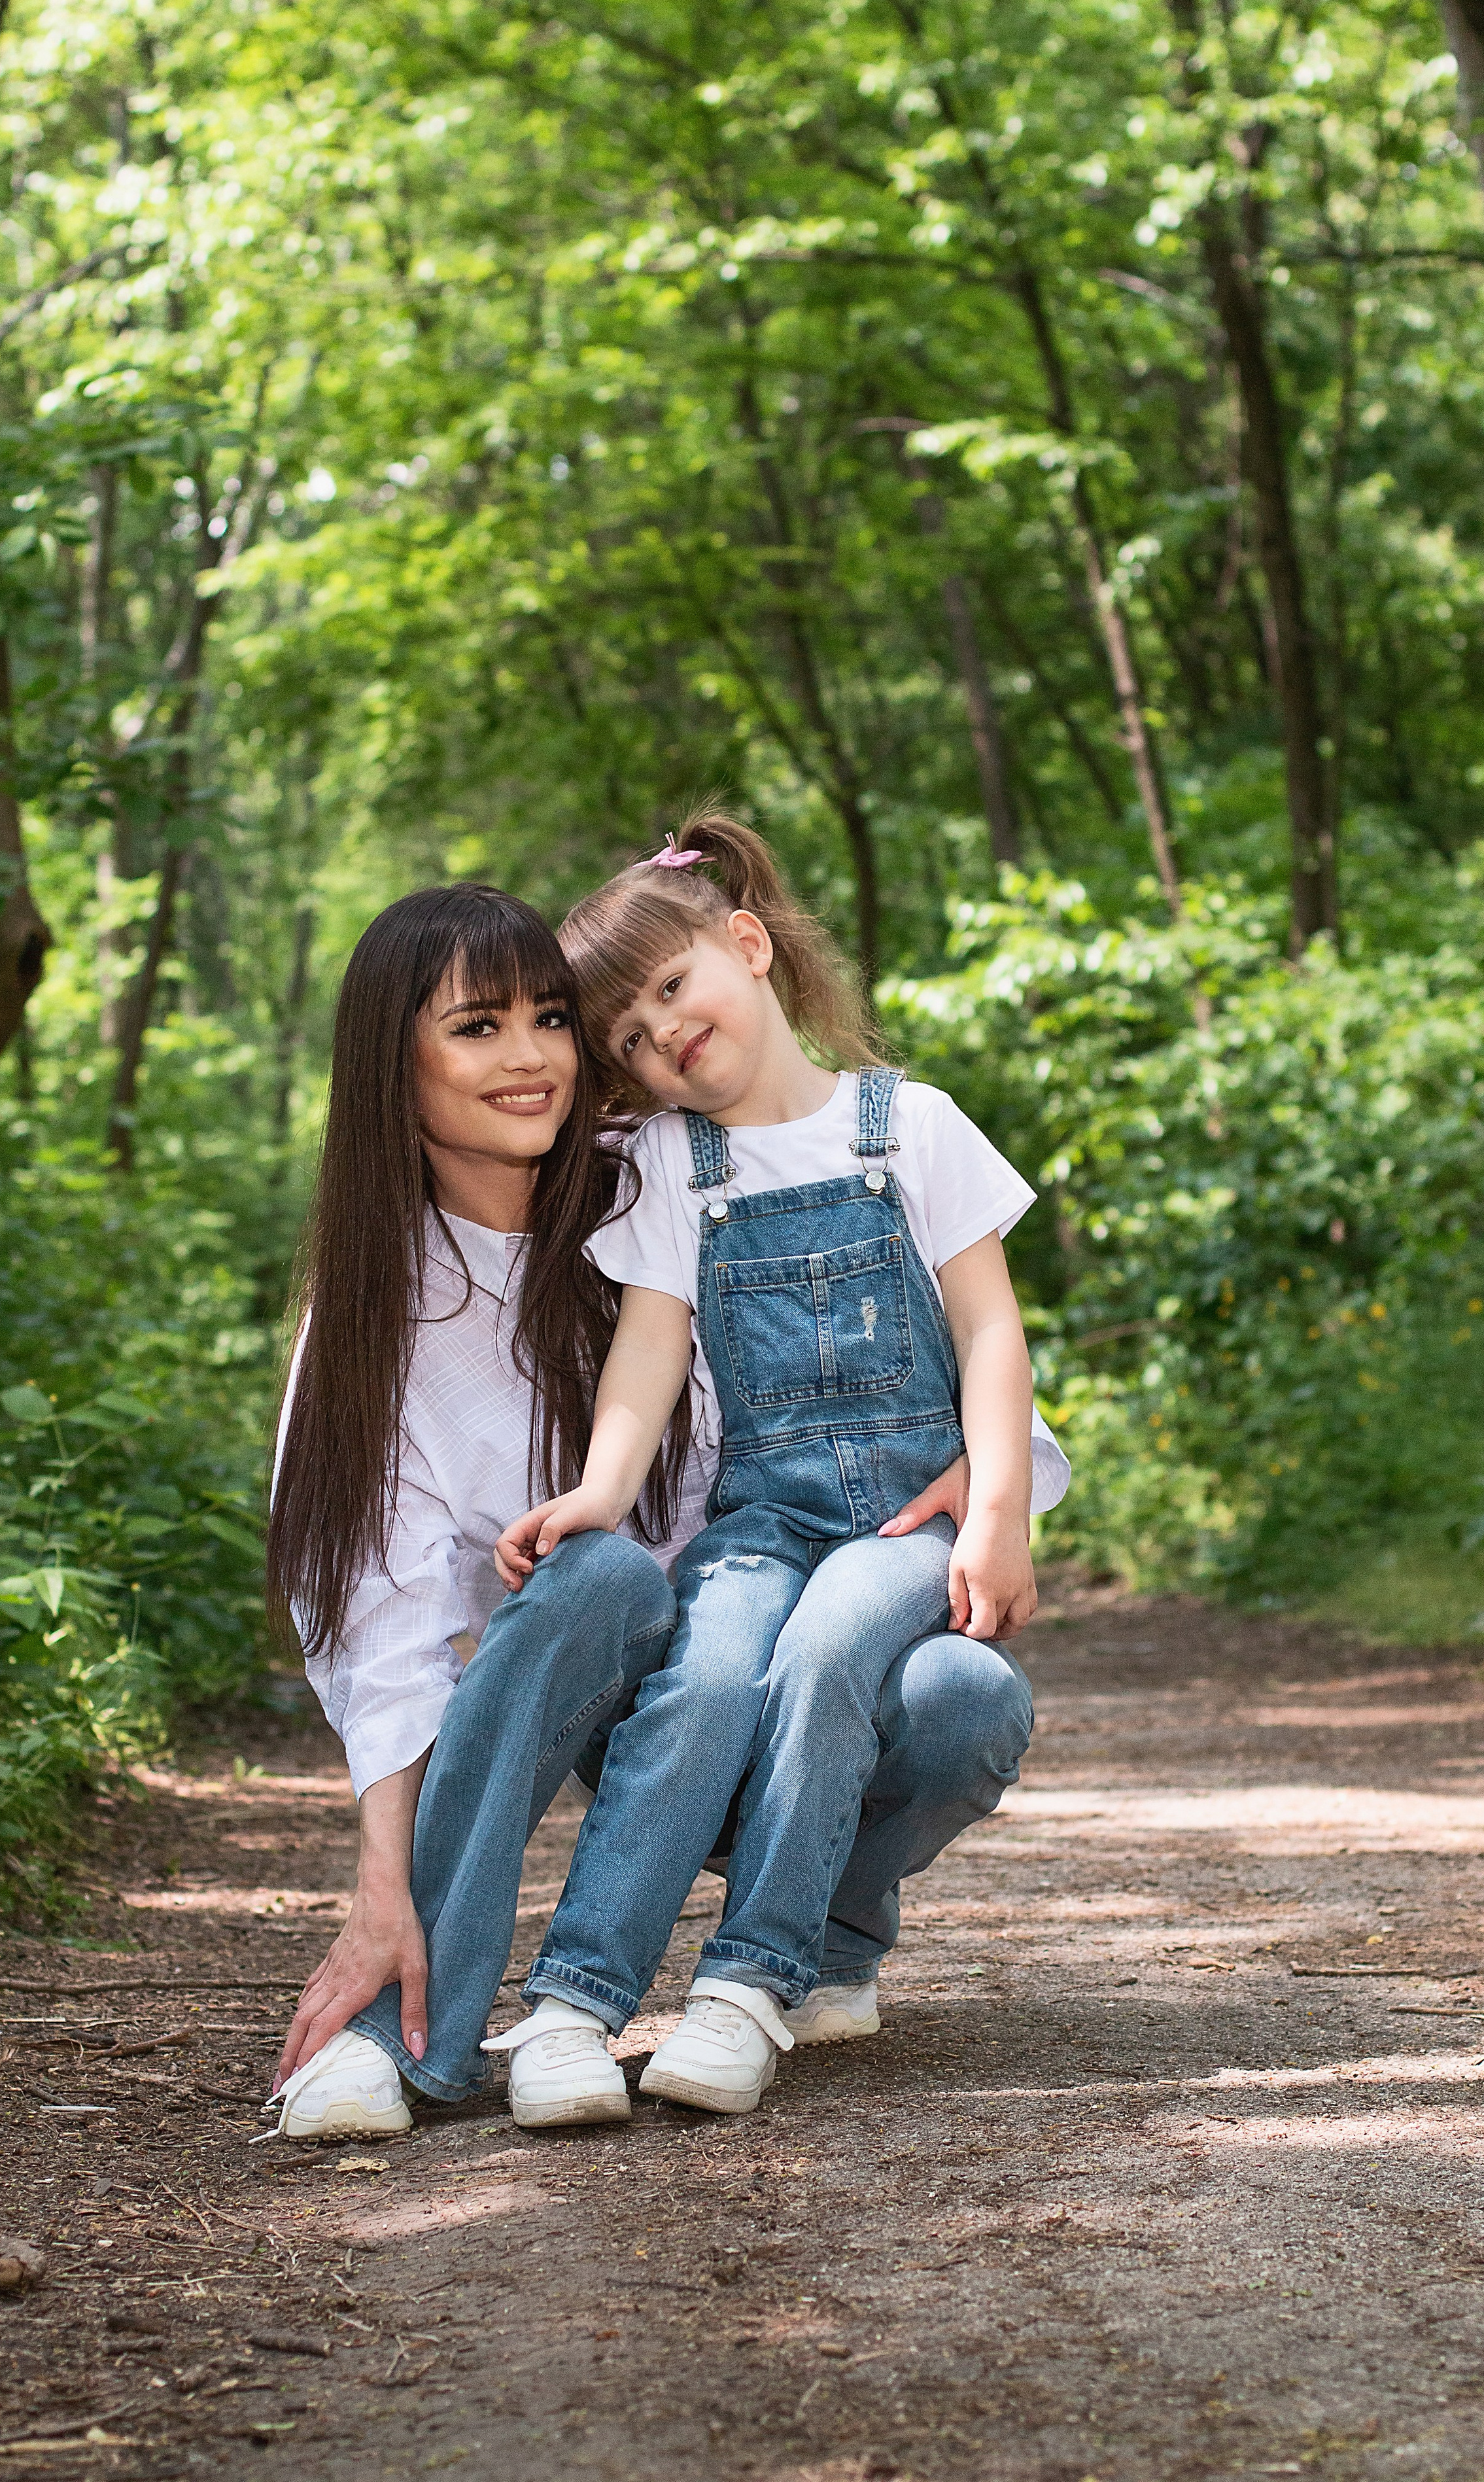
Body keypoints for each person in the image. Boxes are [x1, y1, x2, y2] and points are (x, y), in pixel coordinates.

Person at [262, 879, 1044, 2137]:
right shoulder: (372, 1323)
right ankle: (406, 2030)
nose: (531, 1057)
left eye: (550, 1020)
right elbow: (381, 1632)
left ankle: (814, 1945)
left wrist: (996, 1479)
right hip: (634, 1693)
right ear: (390, 1069)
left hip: (807, 1663)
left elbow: (913, 1359)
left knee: (966, 1697)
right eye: (477, 1028)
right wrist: (379, 1894)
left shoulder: (666, 1173)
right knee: (604, 1573)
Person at [491, 815, 1065, 2121]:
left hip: (904, 1520)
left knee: (826, 1652)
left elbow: (990, 1330)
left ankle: (747, 1987)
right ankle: (572, 2005)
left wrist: (997, 1509)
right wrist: (599, 1492)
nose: (661, 1034)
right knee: (701, 1683)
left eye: (670, 987)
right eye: (628, 1037)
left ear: (745, 945)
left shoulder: (909, 1126)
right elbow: (648, 1353)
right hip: (762, 1517)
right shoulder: (667, 1167)